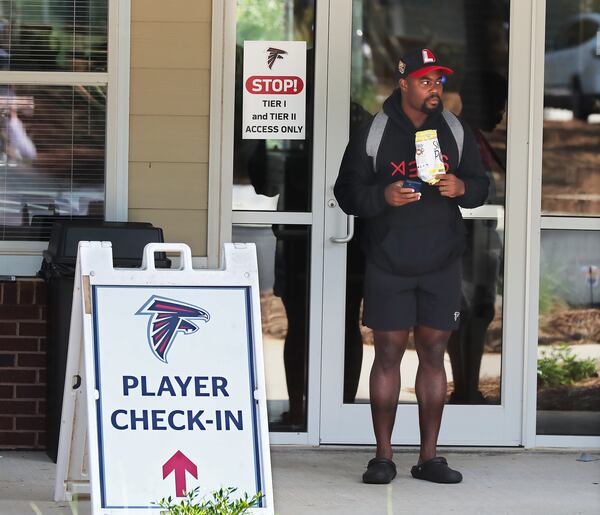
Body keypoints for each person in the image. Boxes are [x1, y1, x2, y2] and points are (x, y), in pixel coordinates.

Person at [334, 48, 489, 484]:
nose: (434, 88)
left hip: (441, 262)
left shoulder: (455, 131)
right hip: (389, 262)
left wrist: (462, 186)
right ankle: (382, 456)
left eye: (438, 81)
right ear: (403, 83)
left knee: (434, 355)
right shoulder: (375, 131)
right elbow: (346, 192)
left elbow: (481, 186)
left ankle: (429, 458)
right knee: (386, 356)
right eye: (425, 81)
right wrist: (382, 197)